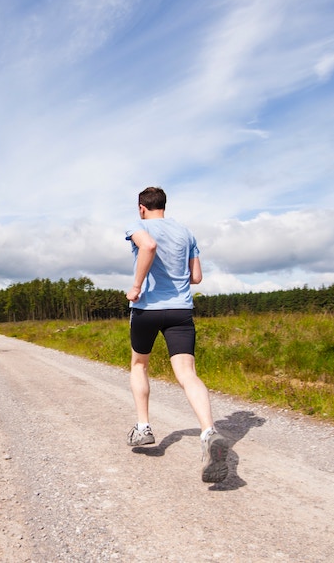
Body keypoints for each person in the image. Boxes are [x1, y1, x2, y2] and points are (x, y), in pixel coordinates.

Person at [124, 186, 226, 483]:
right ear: (164, 206)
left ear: (141, 207)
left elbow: (149, 246)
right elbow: (196, 277)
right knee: (187, 374)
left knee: (139, 364)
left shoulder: (138, 226)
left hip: (146, 310)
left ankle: (143, 428)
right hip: (181, 310)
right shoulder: (185, 232)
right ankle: (208, 432)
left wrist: (136, 286)